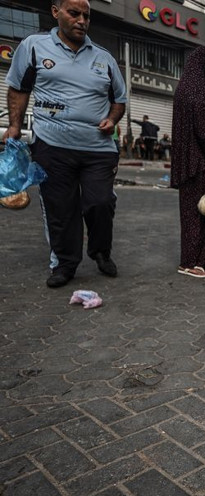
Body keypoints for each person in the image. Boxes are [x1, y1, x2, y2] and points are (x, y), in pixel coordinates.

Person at [3, 0, 126, 288]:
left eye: (86, 15)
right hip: (52, 144)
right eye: (74, 13)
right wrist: (14, 126)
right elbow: (19, 88)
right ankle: (66, 264)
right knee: (61, 207)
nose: (82, 20)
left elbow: (119, 100)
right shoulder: (34, 46)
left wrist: (112, 119)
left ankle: (100, 251)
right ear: (56, 12)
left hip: (98, 148)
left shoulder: (104, 58)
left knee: (100, 202)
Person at [170, 46, 205, 279]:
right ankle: (192, 262)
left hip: (192, 164)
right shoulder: (199, 94)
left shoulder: (186, 88)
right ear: (204, 66)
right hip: (200, 165)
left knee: (198, 212)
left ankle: (202, 259)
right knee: (201, 214)